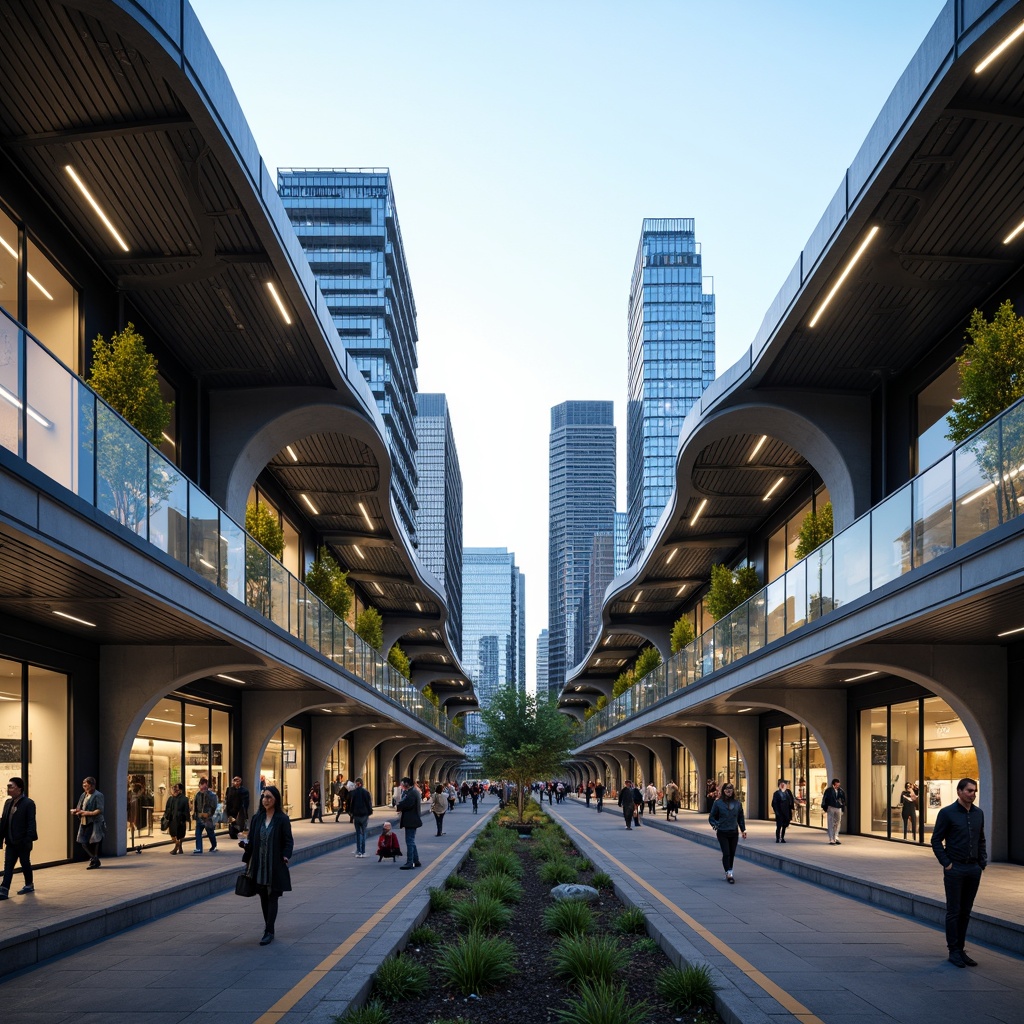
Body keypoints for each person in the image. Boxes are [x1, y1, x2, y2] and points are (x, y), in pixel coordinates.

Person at [931, 777, 986, 968]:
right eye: (969, 791)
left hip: (973, 869)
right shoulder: (947, 813)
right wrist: (946, 863)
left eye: (975, 791)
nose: (973, 794)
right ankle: (953, 951)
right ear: (959, 791)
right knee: (954, 911)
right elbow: (936, 840)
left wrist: (982, 862)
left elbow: (981, 839)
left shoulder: (979, 813)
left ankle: (961, 950)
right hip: (955, 869)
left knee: (966, 911)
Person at [241, 785, 293, 946]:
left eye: (269, 797)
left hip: (274, 863)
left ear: (276, 799)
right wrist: (244, 845)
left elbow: (288, 840)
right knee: (263, 894)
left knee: (273, 895)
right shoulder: (257, 818)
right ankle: (268, 927)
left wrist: (285, 855)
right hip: (259, 862)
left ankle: (269, 930)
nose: (265, 800)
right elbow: (252, 839)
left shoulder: (282, 819)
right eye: (264, 796)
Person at [0, 777, 37, 898]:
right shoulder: (8, 802)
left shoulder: (28, 803)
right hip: (10, 841)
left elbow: (31, 822)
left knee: (25, 862)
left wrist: (28, 838)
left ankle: (29, 884)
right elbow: (4, 821)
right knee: (8, 865)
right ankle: (4, 889)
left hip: (23, 841)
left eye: (11, 786)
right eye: (8, 786)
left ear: (19, 789)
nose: (8, 789)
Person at [709, 781, 746, 883]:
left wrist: (743, 829)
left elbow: (740, 818)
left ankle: (730, 870)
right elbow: (711, 817)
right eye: (726, 789)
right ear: (723, 791)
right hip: (722, 832)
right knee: (726, 853)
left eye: (730, 789)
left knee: (732, 853)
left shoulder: (737, 804)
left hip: (733, 832)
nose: (728, 791)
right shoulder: (718, 803)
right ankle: (729, 873)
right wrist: (715, 825)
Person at [71, 777, 105, 868]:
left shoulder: (98, 795)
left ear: (92, 785)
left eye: (86, 785)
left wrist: (87, 813)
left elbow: (100, 810)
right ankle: (94, 858)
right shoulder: (83, 795)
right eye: (83, 785)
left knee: (94, 841)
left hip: (94, 822)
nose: (84, 787)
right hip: (84, 821)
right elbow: (80, 807)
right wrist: (76, 811)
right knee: (83, 841)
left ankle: (94, 859)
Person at [397, 777, 423, 869]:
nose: (401, 785)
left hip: (411, 820)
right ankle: (416, 860)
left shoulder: (411, 793)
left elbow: (407, 804)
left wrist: (399, 805)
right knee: (411, 840)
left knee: (409, 841)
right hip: (412, 819)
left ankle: (410, 862)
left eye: (402, 783)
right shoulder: (411, 792)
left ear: (407, 784)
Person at [192, 777, 219, 854]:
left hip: (208, 817)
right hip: (200, 816)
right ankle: (199, 848)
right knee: (198, 833)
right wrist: (195, 814)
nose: (202, 787)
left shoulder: (212, 795)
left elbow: (213, 806)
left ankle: (214, 845)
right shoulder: (198, 795)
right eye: (201, 785)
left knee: (210, 832)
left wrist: (209, 814)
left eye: (204, 785)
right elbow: (195, 805)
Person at [163, 782, 190, 855]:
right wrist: (166, 816)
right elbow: (167, 808)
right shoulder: (170, 798)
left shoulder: (184, 799)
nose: (175, 790)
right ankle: (178, 845)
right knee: (173, 835)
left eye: (177, 789)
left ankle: (177, 848)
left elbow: (186, 810)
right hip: (172, 819)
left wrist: (186, 819)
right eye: (174, 788)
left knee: (180, 834)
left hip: (180, 819)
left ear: (180, 790)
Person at [348, 777, 373, 857]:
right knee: (363, 832)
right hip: (364, 815)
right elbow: (368, 803)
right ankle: (363, 851)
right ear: (362, 783)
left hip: (356, 815)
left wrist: (351, 813)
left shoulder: (354, 793)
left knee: (358, 833)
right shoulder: (366, 792)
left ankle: (358, 850)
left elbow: (351, 804)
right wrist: (369, 812)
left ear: (357, 783)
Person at [821, 778, 847, 845]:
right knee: (831, 822)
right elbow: (825, 799)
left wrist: (843, 808)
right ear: (833, 784)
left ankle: (836, 836)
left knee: (838, 822)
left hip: (838, 808)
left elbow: (843, 800)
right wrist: (825, 808)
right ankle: (831, 839)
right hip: (831, 807)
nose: (838, 786)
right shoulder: (828, 791)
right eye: (837, 785)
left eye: (838, 784)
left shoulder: (841, 791)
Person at [771, 779, 796, 844]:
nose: (783, 786)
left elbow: (791, 800)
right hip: (780, 811)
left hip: (786, 811)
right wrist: (776, 812)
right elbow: (774, 803)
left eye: (784, 784)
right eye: (781, 785)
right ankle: (777, 838)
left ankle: (782, 838)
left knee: (784, 826)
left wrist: (792, 807)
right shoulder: (776, 793)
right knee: (779, 826)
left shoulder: (788, 792)